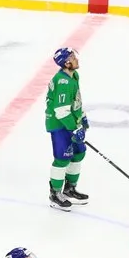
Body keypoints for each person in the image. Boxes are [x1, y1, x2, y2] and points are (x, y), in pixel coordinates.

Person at [45, 47, 89, 210]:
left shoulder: (74, 76)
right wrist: (74, 129)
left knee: (79, 153)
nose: (76, 59)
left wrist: (82, 116)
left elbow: (75, 100)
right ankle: (55, 194)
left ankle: (69, 189)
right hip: (60, 125)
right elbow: (61, 111)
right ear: (66, 63)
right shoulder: (63, 82)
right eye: (72, 57)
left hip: (72, 122)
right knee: (62, 158)